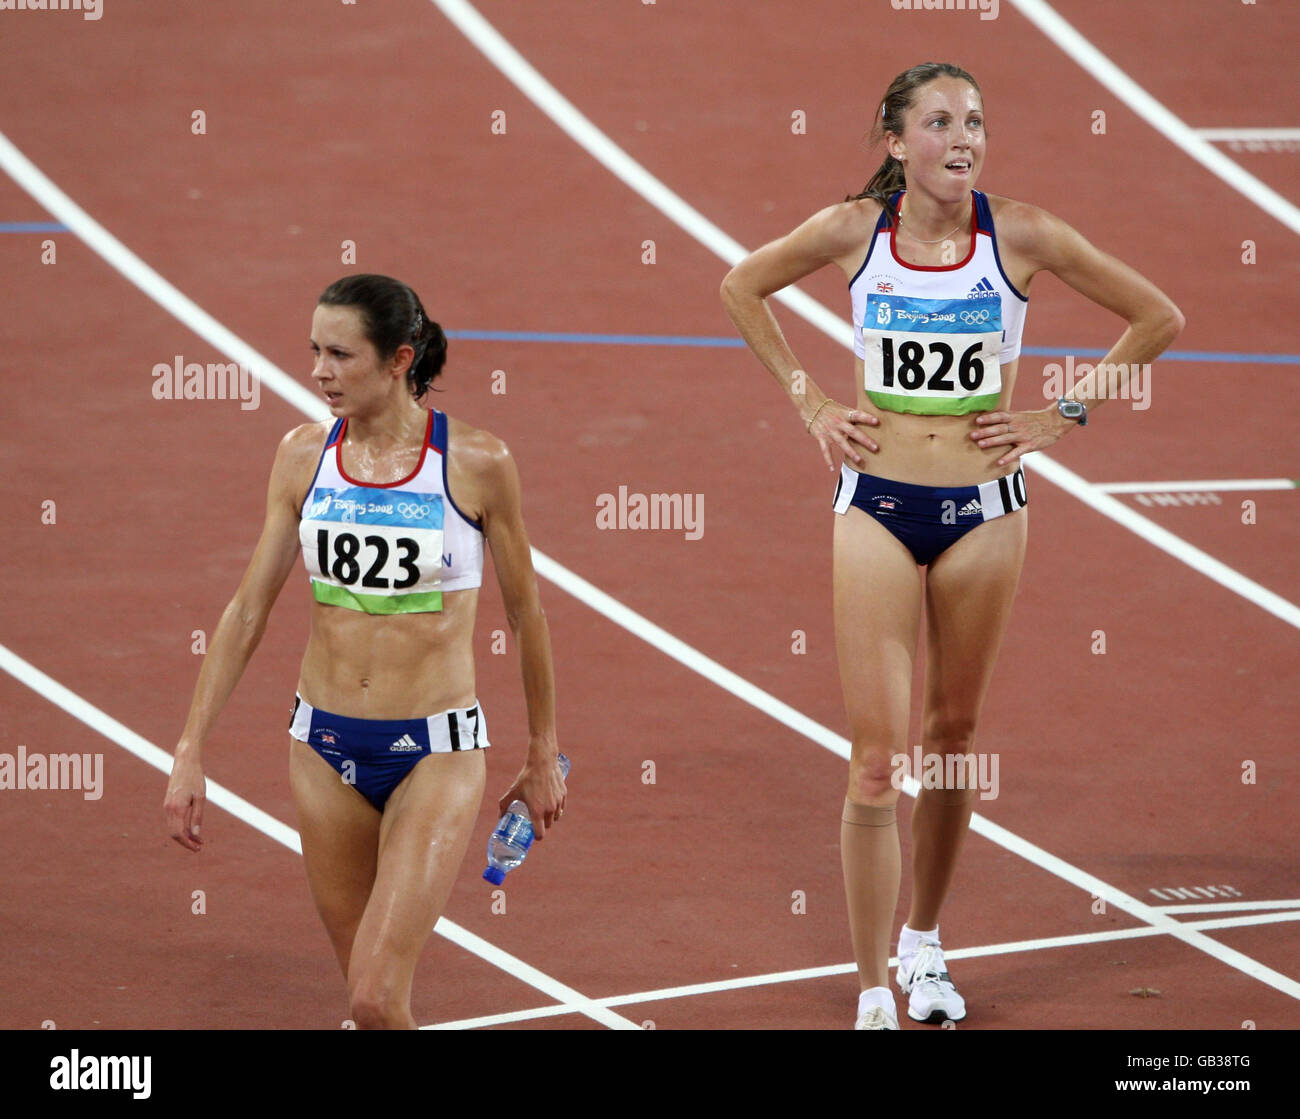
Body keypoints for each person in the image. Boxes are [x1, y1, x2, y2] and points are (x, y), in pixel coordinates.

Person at [721, 62, 1182, 1029]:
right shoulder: (856, 232)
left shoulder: (1022, 233)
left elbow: (1157, 317)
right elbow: (742, 285)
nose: (963, 136)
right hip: (877, 504)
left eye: (975, 119)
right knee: (874, 757)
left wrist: (1060, 416)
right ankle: (871, 987)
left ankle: (923, 943)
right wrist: (809, 400)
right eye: (939, 121)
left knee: (956, 738)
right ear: (896, 142)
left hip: (986, 511)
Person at [163, 273, 567, 1029]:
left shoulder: (476, 462)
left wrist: (543, 749)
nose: (319, 370)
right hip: (322, 747)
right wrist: (190, 747)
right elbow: (249, 607)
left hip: (435, 750)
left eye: (341, 354)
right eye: (314, 350)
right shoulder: (301, 456)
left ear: (398, 360)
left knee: (373, 997)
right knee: (374, 1004)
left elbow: (526, 613)